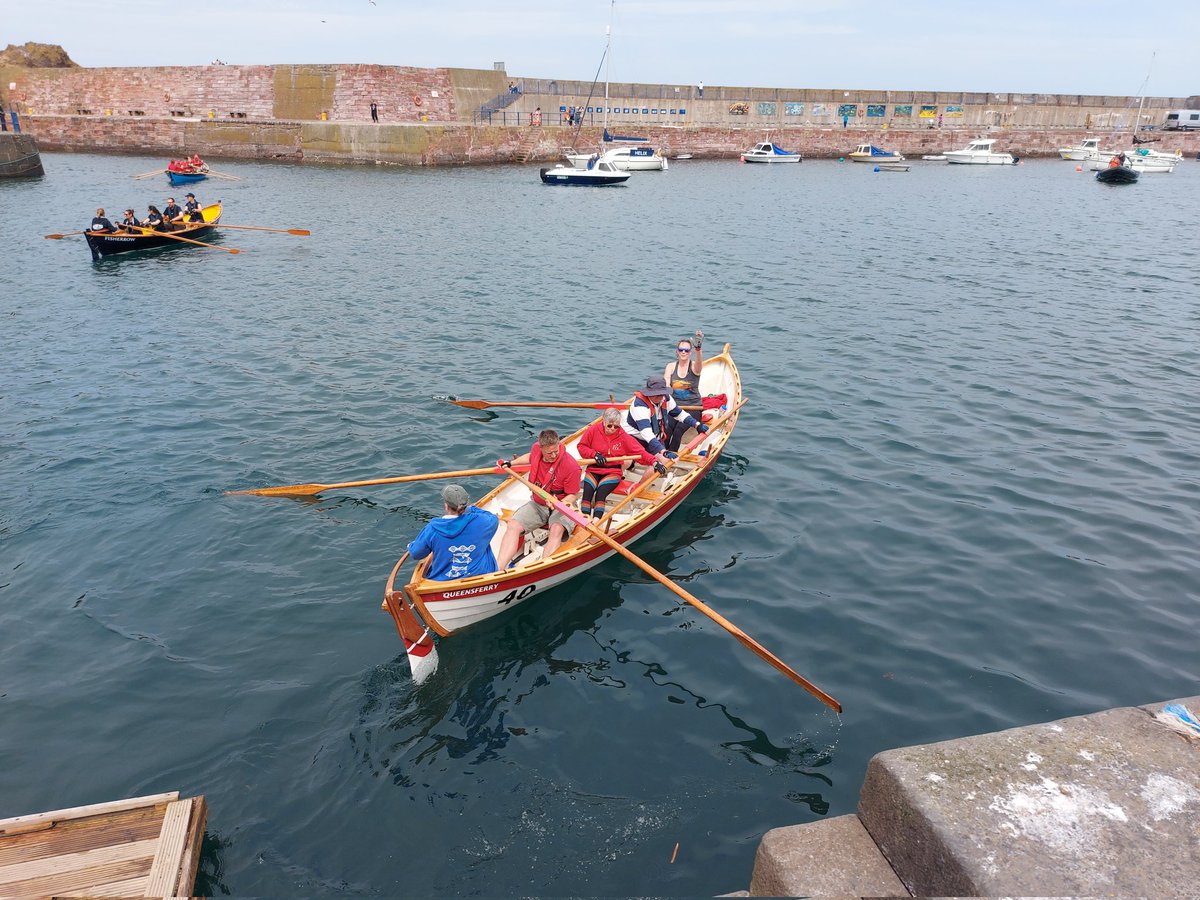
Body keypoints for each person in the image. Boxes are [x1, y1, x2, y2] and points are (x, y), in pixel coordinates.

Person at [495, 429, 582, 569]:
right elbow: (530, 457)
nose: (553, 455)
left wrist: (559, 504)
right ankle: (498, 569)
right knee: (513, 525)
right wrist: (511, 463)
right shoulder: (536, 449)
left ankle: (543, 566)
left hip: (562, 504)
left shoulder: (571, 466)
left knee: (556, 529)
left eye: (556, 451)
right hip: (539, 503)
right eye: (549, 453)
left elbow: (574, 495)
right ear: (541, 448)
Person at [577, 408, 662, 520]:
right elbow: (581, 446)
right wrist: (594, 454)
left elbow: (640, 452)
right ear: (604, 422)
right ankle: (585, 519)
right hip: (594, 468)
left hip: (613, 471)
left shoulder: (623, 437)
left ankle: (596, 520)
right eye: (609, 426)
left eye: (616, 426)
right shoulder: (593, 430)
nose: (612, 429)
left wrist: (655, 462)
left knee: (601, 493)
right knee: (587, 493)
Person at [406, 484, 499, 580]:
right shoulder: (484, 522)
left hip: (444, 582)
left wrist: (411, 546)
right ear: (466, 504)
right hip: (480, 577)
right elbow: (493, 518)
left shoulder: (432, 529)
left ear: (446, 506)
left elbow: (416, 554)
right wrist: (472, 508)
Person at [624, 375, 708, 458]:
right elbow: (646, 433)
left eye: (661, 394)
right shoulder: (639, 406)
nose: (659, 397)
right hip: (635, 439)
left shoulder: (665, 398)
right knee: (635, 461)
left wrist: (697, 425)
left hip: (654, 439)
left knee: (664, 460)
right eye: (655, 394)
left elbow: (679, 414)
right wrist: (663, 451)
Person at [663, 329, 704, 405]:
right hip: (675, 405)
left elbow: (699, 366)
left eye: (686, 350)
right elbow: (666, 384)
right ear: (677, 351)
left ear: (690, 352)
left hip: (694, 405)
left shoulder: (694, 366)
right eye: (681, 350)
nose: (683, 352)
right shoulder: (670, 367)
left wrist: (698, 349)